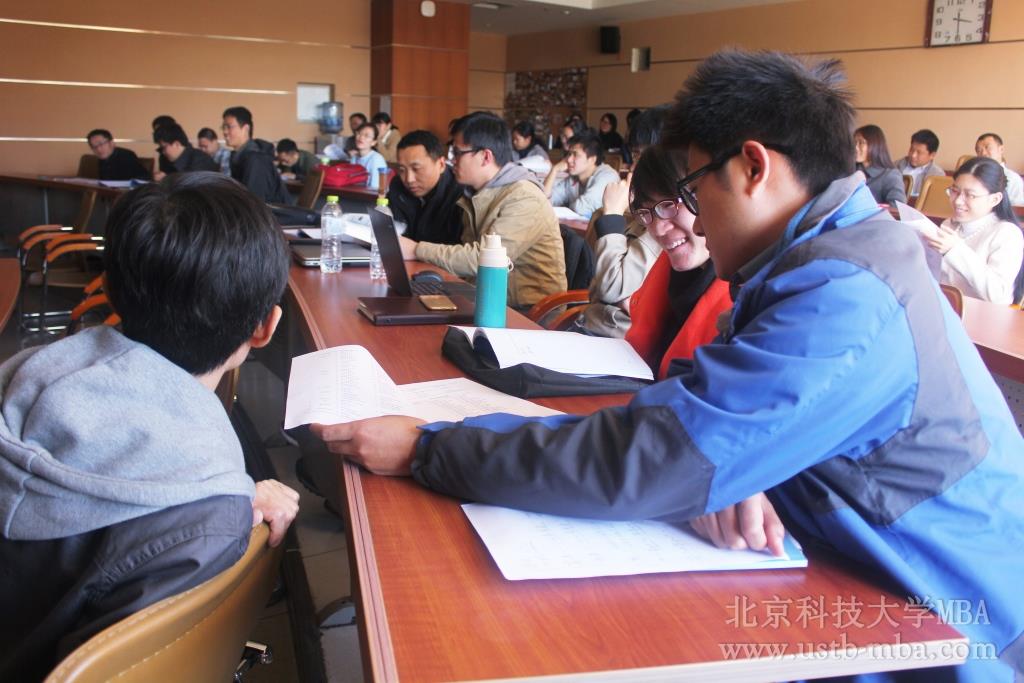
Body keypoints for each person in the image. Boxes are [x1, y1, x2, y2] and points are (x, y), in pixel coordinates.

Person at [314, 50, 1024, 683]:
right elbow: (711, 417)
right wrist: (748, 465)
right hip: (860, 577)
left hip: (946, 621)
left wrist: (428, 447)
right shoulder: (826, 255)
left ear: (754, 167)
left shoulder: (844, 293)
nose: (690, 218)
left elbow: (655, 455)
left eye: (693, 189)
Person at [0, 172, 300, 680]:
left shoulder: (20, 375)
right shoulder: (207, 524)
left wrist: (221, 493)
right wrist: (221, 499)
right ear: (265, 327)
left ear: (109, 290)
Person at [399, 112, 566, 309]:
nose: (452, 160)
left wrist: (416, 249)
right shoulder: (476, 194)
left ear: (485, 156)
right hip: (487, 298)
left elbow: (481, 259)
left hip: (528, 311)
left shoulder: (524, 197)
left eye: (457, 153)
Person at [619, 145, 732, 379]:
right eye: (646, 212)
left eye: (669, 205)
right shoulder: (667, 274)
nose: (658, 229)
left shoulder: (747, 297)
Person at [577, 105, 670, 338]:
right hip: (590, 326)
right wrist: (607, 214)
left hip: (619, 339)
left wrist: (612, 215)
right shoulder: (639, 213)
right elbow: (595, 286)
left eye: (643, 157)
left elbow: (610, 288)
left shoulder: (666, 221)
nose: (633, 169)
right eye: (635, 157)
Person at [924, 156, 1024, 305]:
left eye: (970, 195)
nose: (958, 201)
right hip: (944, 307)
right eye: (955, 191)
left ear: (995, 199)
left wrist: (955, 250)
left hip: (985, 315)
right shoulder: (949, 225)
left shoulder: (1007, 233)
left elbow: (997, 295)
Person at [387, 130, 464, 245]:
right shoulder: (397, 186)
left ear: (441, 164)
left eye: (416, 169)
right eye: (402, 170)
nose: (409, 179)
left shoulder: (459, 194)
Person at [222, 106, 291, 204]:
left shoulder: (256, 160)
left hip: (272, 213)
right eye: (223, 127)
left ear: (246, 129)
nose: (224, 132)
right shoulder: (239, 156)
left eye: (229, 127)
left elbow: (253, 203)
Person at [543, 130, 620, 219]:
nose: (569, 160)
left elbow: (582, 208)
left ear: (592, 159)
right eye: (569, 154)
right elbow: (544, 200)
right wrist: (554, 170)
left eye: (575, 155)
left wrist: (566, 205)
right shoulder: (573, 178)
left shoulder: (607, 176)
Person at [854, 124, 906, 205]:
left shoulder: (890, 175)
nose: (855, 147)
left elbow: (897, 207)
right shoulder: (851, 171)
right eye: (854, 143)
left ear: (875, 145)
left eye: (861, 143)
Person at [152, 123, 219, 180]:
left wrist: (167, 179)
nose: (163, 152)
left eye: (163, 147)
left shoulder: (201, 161)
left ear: (176, 144)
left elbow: (188, 187)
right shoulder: (173, 161)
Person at [975, 132, 1024, 206]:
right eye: (978, 150)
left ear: (1001, 149)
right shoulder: (972, 176)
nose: (983, 153)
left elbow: (1017, 209)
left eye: (987, 147)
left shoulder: (1012, 178)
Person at [896, 128, 945, 196]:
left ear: (932, 155)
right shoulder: (896, 165)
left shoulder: (937, 176)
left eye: (919, 152)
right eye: (911, 150)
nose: (913, 155)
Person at [86, 129, 150, 181]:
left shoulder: (126, 156)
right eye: (94, 146)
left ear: (112, 143)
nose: (98, 149)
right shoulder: (102, 159)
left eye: (101, 144)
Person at [350, 123, 389, 191]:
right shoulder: (354, 158)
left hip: (372, 196)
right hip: (355, 194)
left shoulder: (376, 159)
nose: (361, 137)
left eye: (366, 136)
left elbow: (375, 189)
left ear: (373, 142)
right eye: (359, 133)